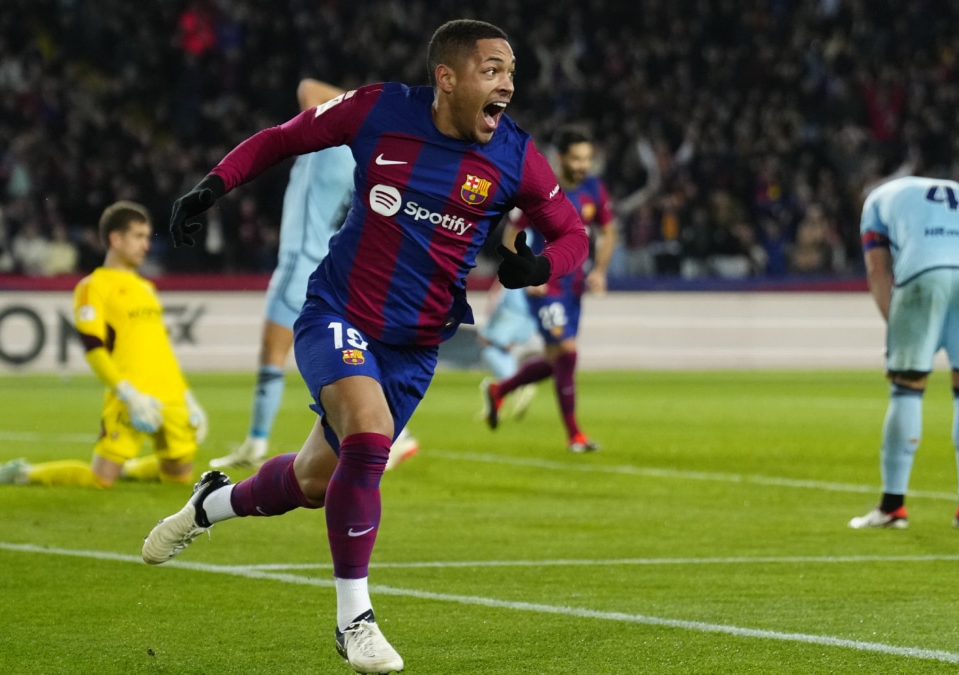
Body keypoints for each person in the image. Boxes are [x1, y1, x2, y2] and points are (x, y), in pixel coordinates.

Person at [141, 19, 588, 675]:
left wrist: (538, 268)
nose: (508, 85)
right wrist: (215, 183)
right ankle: (355, 620)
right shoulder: (380, 110)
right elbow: (283, 138)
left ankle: (210, 501)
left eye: (512, 72)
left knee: (312, 481)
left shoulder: (516, 156)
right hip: (337, 312)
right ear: (448, 77)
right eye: (493, 69)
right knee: (371, 434)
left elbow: (572, 234)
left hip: (415, 347)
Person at [209, 78, 419, 473]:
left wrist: (358, 103)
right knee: (347, 352)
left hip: (299, 260)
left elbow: (307, 87)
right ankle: (392, 432)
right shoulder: (362, 156)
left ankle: (258, 442)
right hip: (325, 261)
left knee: (279, 354)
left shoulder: (333, 145)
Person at [0, 201, 207, 488]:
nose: (146, 245)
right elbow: (93, 348)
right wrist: (127, 394)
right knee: (99, 479)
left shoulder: (147, 288)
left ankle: (128, 470)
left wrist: (187, 395)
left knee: (180, 478)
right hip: (131, 396)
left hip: (171, 396)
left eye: (147, 237)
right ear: (115, 239)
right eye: (138, 236)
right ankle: (23, 473)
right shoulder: (92, 287)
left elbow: (161, 349)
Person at [849, 176, 959, 531]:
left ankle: (892, 508)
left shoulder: (875, 202)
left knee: (907, 386)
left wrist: (897, 329)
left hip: (923, 269)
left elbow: (878, 269)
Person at [481, 126, 616, 453]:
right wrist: (526, 274)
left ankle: (499, 391)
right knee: (568, 353)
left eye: (587, 159)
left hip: (575, 287)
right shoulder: (541, 190)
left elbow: (609, 231)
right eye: (577, 159)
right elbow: (511, 234)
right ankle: (575, 436)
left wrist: (599, 270)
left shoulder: (594, 190)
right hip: (546, 285)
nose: (583, 165)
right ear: (560, 158)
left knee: (557, 358)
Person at [474, 276, 540, 422]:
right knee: (498, 355)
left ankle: (516, 385)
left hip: (512, 321)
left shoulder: (513, 284)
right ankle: (506, 392)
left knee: (490, 351)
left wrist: (489, 329)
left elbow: (497, 298)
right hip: (523, 323)